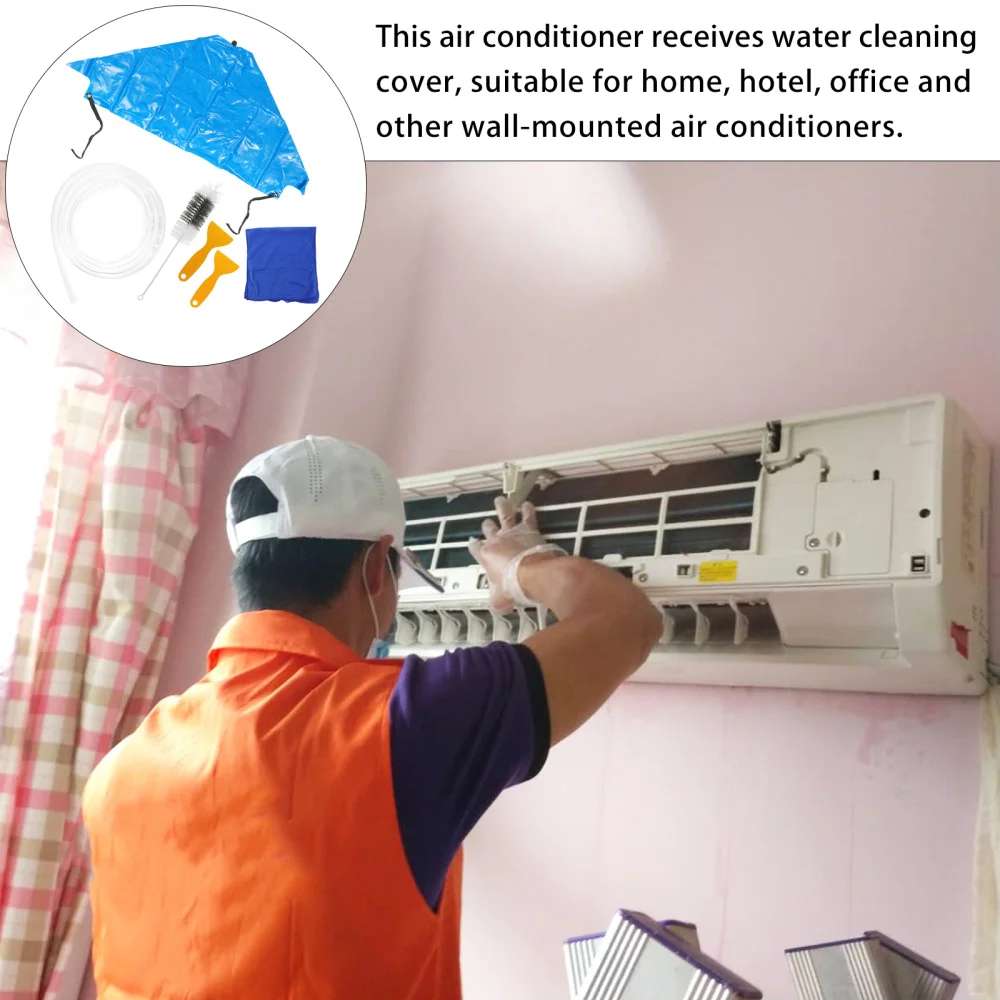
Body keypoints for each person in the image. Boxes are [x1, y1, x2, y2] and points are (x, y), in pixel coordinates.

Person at [82, 436, 662, 1000]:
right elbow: (626, 620)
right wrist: (520, 566)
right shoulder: (402, 720)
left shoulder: (121, 767)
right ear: (375, 570)